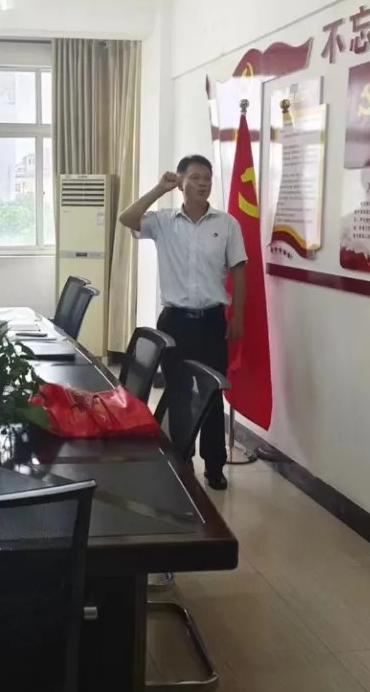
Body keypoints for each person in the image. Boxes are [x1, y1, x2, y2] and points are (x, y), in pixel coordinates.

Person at [120, 155, 246, 490]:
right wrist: (158, 190)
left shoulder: (227, 224)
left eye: (208, 178)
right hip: (174, 322)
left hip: (211, 321)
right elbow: (126, 218)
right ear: (180, 182)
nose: (203, 184)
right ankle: (181, 458)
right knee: (177, 393)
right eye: (195, 177)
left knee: (212, 394)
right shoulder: (162, 222)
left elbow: (239, 270)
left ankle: (215, 465)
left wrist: (237, 317)